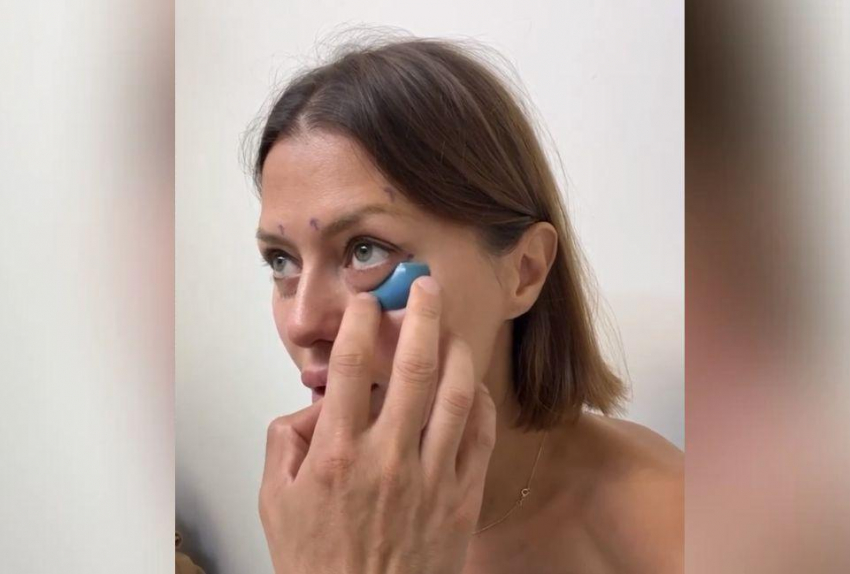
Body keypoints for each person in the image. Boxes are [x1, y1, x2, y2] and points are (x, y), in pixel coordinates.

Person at [250, 35, 683, 574]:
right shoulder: (310, 501)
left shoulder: (674, 526)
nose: (301, 323)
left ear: (523, 271)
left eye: (366, 251)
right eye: (282, 262)